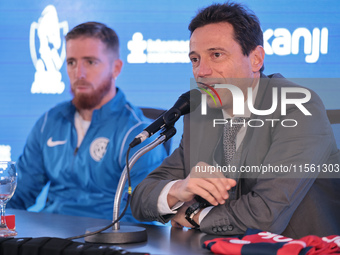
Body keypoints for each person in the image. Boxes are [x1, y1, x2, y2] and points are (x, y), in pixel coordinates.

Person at [131, 2, 340, 238]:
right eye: (195, 59)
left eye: (216, 55)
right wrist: (178, 189)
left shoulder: (298, 108)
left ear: (256, 59)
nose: (201, 71)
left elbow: (265, 215)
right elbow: (140, 199)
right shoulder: (201, 118)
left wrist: (193, 215)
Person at [9, 22, 168, 222]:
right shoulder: (49, 122)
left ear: (116, 68)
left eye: (90, 62)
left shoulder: (137, 134)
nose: (79, 74)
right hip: (48, 238)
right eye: (71, 63)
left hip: (106, 241)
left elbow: (142, 214)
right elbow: (17, 195)